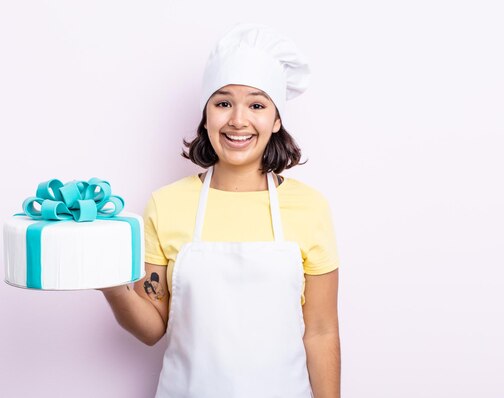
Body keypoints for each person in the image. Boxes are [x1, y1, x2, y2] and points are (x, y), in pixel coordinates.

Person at [100, 22, 340, 398]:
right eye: (223, 103)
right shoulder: (167, 204)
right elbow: (151, 329)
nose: (238, 120)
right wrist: (111, 285)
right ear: (206, 115)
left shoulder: (309, 207)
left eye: (257, 105)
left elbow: (322, 331)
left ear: (276, 120)